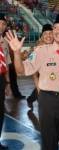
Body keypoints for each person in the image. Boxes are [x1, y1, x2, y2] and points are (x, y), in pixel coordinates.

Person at [5, 13, 59, 150]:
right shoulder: (41, 51)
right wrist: (16, 52)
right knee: (50, 143)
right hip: (49, 102)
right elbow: (21, 71)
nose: (57, 31)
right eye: (55, 27)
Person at [26, 23, 54, 109]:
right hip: (41, 79)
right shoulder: (38, 48)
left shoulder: (57, 47)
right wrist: (39, 90)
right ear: (42, 36)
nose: (48, 36)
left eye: (50, 33)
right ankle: (31, 99)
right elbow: (34, 74)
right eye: (45, 34)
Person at [0, 13, 11, 150]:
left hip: (1, 79)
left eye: (3, 24)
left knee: (0, 110)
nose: (2, 26)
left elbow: (6, 64)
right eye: (0, 23)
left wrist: (7, 83)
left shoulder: (5, 42)